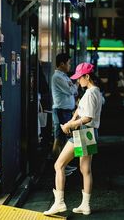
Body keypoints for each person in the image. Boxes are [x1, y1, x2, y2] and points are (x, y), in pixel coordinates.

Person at [44, 62, 103, 216]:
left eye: (80, 78)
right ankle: (85, 205)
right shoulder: (95, 91)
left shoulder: (90, 94)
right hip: (90, 133)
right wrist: (74, 116)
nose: (78, 81)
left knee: (59, 165)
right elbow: (81, 109)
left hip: (84, 132)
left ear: (87, 76)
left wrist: (69, 125)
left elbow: (87, 117)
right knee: (86, 170)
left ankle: (59, 203)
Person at [51, 53, 78, 175]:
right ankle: (58, 166)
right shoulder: (57, 77)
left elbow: (73, 90)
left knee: (63, 139)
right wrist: (74, 85)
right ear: (62, 64)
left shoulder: (65, 76)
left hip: (66, 111)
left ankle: (63, 165)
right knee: (58, 139)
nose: (69, 65)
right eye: (68, 63)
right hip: (60, 111)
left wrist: (73, 86)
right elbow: (71, 90)